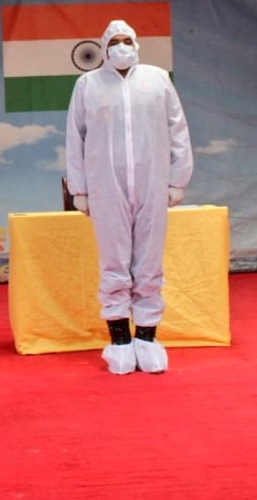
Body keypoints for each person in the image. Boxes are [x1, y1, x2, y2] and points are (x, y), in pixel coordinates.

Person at [65, 20, 193, 375]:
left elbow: (178, 129)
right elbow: (75, 137)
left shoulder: (157, 79)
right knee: (114, 261)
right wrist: (80, 188)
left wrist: (177, 179)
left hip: (153, 181)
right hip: (105, 184)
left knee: (149, 261)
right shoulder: (88, 84)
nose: (122, 47)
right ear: (104, 48)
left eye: (127, 41)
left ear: (136, 44)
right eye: (115, 42)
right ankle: (119, 340)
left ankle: (147, 338)